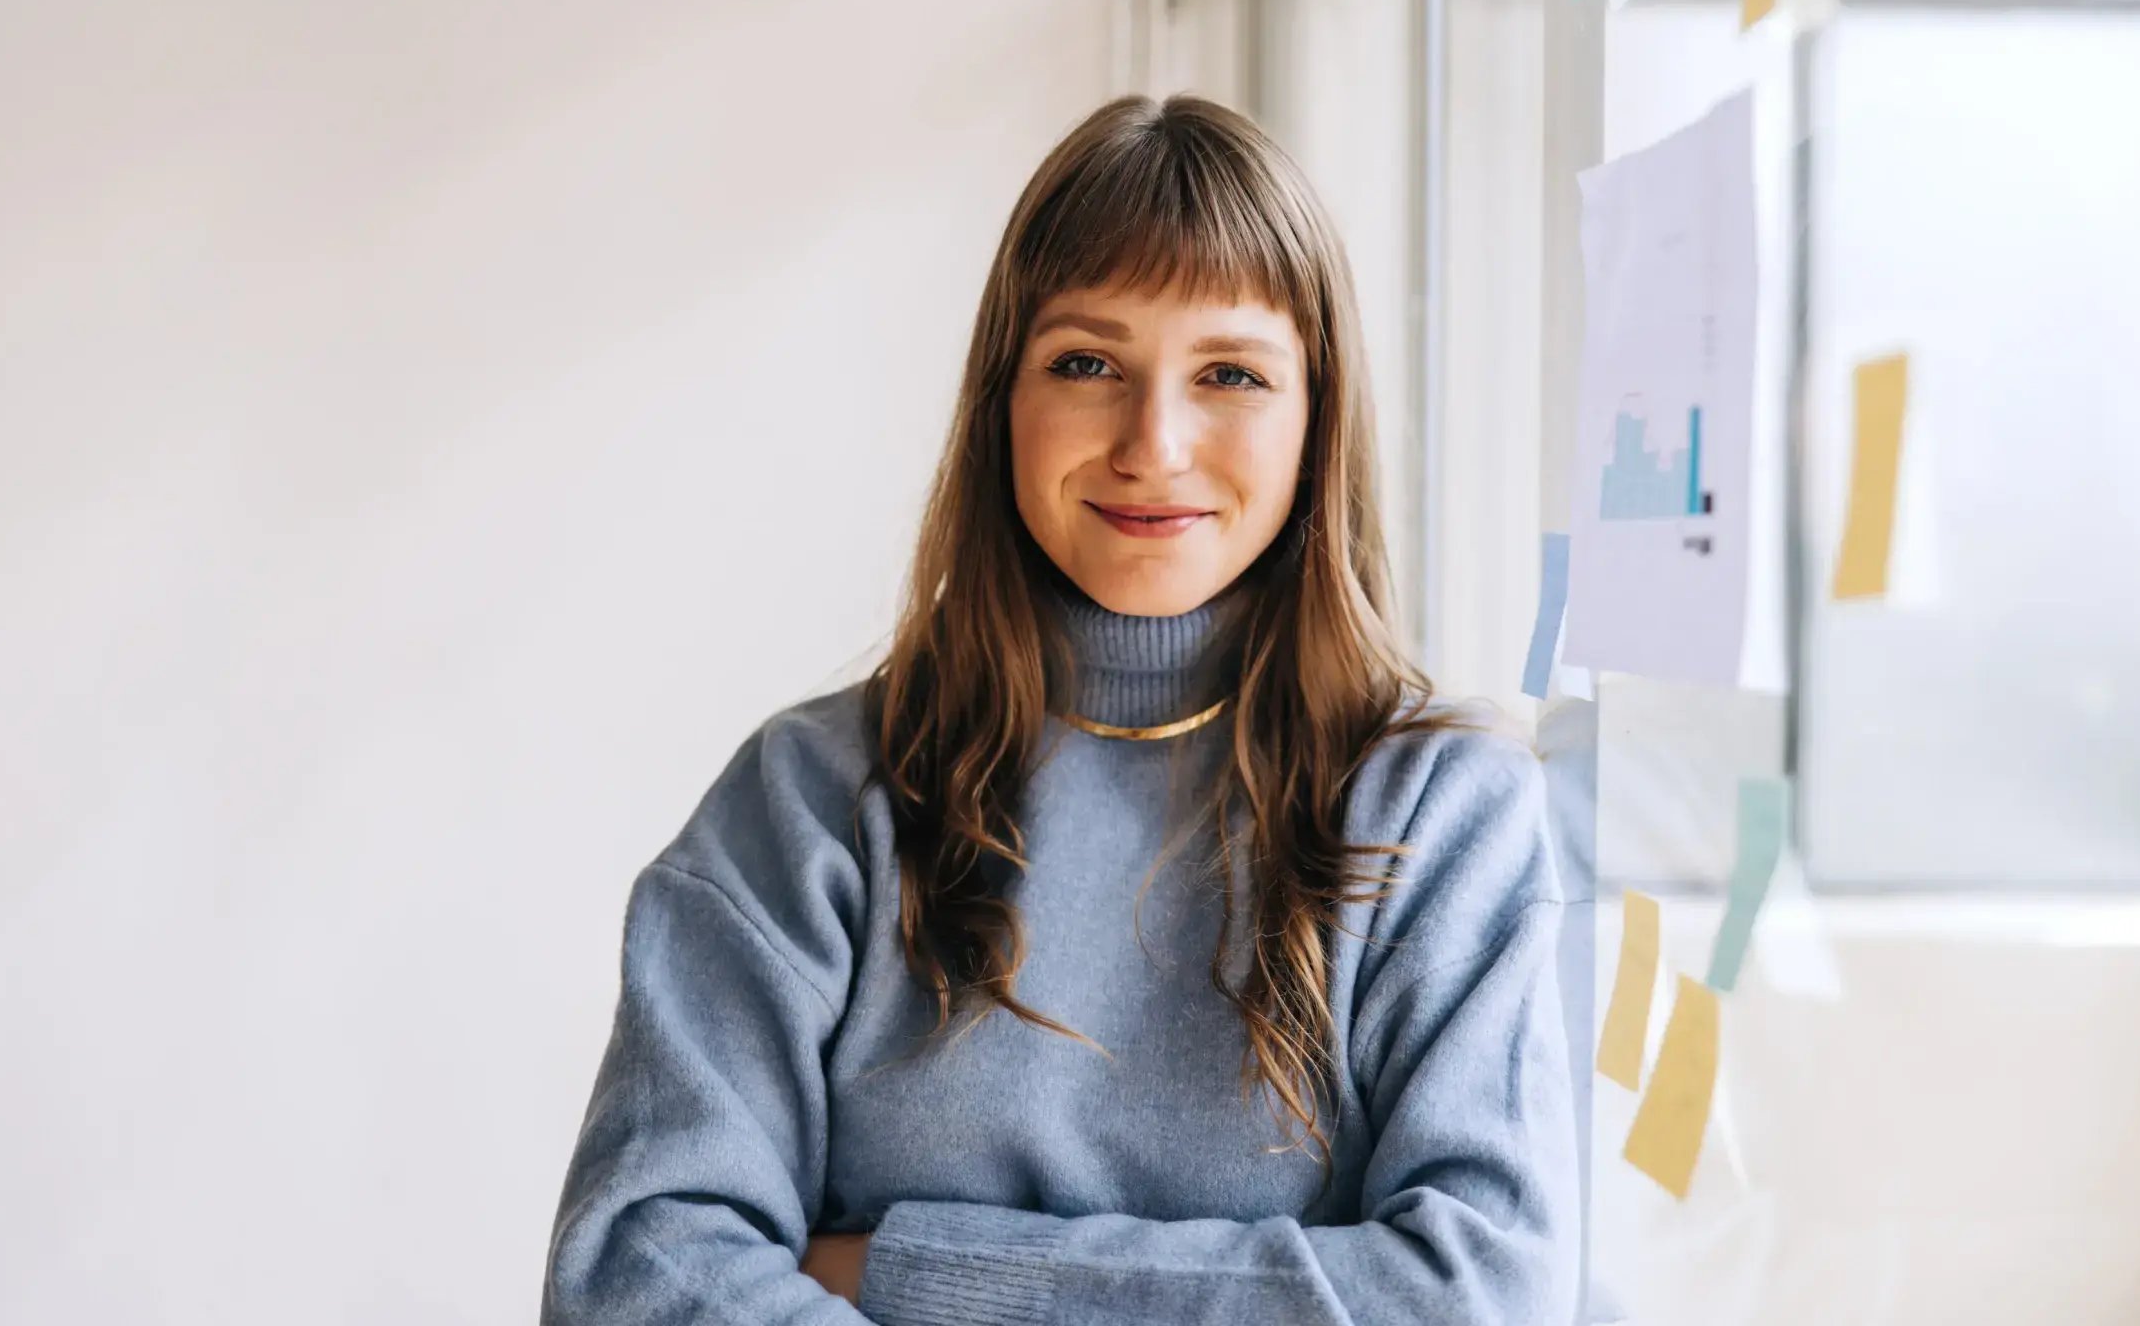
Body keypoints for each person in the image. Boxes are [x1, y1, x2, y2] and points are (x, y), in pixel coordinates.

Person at [539, 94, 1577, 1325]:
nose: (1154, 440)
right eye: (1086, 363)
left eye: (1230, 373)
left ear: (1316, 417)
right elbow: (632, 1274)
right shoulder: (809, 799)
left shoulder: (1442, 811)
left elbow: (1477, 1297)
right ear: (1001, 403)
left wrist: (906, 1268)